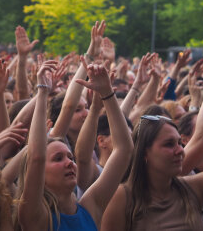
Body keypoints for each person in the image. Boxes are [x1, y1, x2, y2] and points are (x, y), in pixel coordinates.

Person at [16, 58, 133, 230]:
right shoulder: (36, 217)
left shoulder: (90, 206)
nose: (70, 162)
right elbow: (37, 157)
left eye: (70, 157)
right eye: (58, 158)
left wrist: (107, 93)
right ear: (36, 171)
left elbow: (124, 149)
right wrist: (42, 92)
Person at [102, 114, 203, 230]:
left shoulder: (195, 187)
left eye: (180, 143)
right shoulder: (122, 198)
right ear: (144, 152)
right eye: (169, 144)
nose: (181, 150)